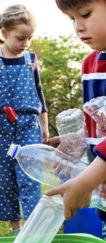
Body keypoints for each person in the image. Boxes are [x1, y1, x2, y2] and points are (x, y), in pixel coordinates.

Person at [0, 4, 49, 236]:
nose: (25, 43)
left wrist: (44, 126)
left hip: (28, 125)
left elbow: (39, 94)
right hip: (1, 129)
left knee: (30, 177)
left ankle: (33, 229)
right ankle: (16, 229)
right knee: (5, 179)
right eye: (20, 37)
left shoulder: (31, 60)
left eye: (29, 38)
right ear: (4, 33)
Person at [47, 0, 106, 227]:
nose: (78, 27)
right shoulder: (90, 64)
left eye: (86, 14)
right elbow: (98, 117)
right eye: (72, 19)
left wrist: (84, 182)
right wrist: (81, 137)